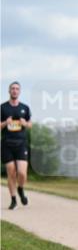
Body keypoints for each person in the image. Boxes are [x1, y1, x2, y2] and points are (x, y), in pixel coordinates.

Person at [1, 81, 32, 210]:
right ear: (9, 91)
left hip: (21, 144)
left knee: (22, 173)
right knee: (11, 172)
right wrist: (5, 123)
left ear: (19, 92)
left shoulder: (25, 107)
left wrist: (25, 124)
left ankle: (20, 188)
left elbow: (30, 125)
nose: (14, 90)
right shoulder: (2, 108)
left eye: (17, 89)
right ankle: (13, 200)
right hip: (7, 144)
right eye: (12, 88)